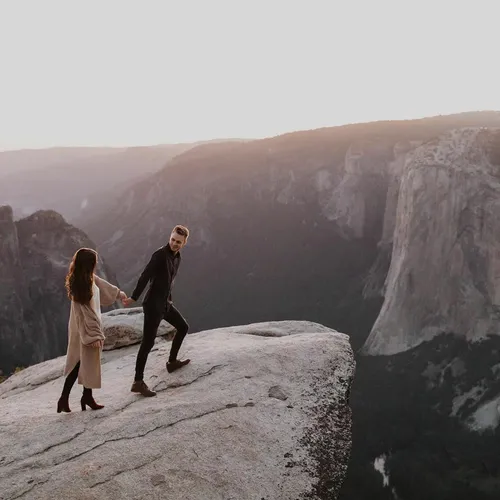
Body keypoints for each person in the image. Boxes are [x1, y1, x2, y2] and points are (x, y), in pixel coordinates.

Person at [123, 225, 191, 397]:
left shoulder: (177, 257)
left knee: (183, 327)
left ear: (184, 243)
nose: (174, 244)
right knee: (148, 343)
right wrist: (134, 297)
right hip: (153, 305)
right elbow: (145, 276)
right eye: (173, 240)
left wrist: (169, 298)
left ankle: (172, 362)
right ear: (170, 237)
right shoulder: (159, 255)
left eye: (178, 242)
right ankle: (138, 382)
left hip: (165, 304)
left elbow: (168, 281)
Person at [57, 247, 127, 413]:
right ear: (89, 265)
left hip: (83, 325)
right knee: (80, 361)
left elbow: (102, 284)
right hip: (83, 327)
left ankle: (84, 396)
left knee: (87, 361)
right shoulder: (82, 284)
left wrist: (118, 293)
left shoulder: (87, 277)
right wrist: (94, 335)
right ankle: (66, 398)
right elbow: (86, 314)